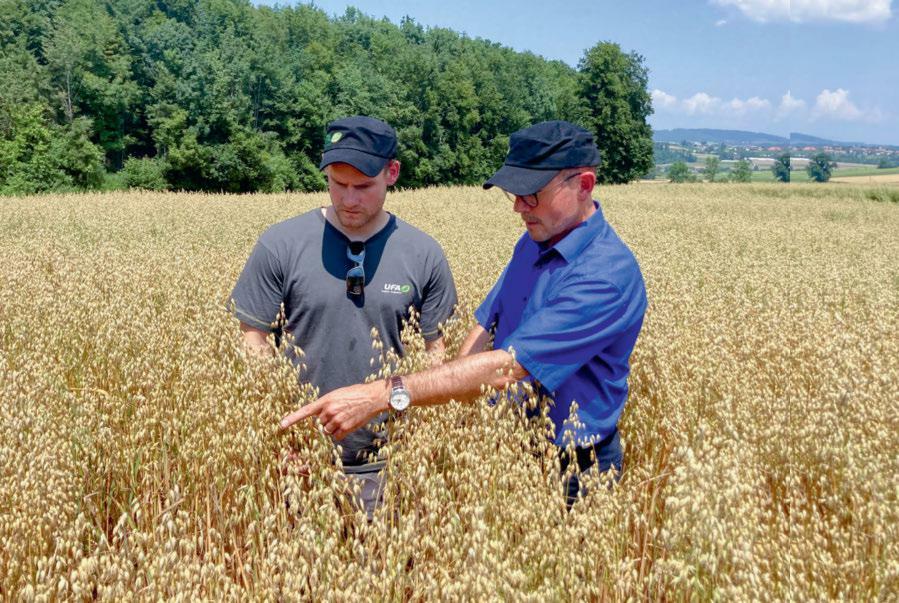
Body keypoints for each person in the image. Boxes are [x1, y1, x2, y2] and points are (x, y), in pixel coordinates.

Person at [279, 120, 647, 506]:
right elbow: (486, 324)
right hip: (506, 452)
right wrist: (451, 417)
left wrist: (383, 395)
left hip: (571, 469)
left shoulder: (605, 275)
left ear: (584, 185)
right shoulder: (537, 239)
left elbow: (505, 367)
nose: (519, 208)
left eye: (532, 195)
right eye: (514, 194)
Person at [230, 115, 457, 516]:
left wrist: (419, 446)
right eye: (338, 184)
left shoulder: (424, 254)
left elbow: (437, 354)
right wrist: (280, 439)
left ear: (392, 173)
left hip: (392, 466)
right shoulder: (280, 245)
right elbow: (254, 343)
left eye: (364, 187)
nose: (349, 199)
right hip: (298, 466)